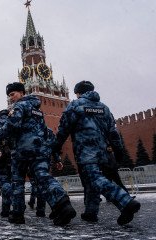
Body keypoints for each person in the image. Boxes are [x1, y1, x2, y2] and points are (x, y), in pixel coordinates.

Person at [52, 80, 140, 225]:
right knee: (91, 182)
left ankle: (126, 201)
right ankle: (90, 213)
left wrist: (56, 147)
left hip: (86, 153)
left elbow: (63, 130)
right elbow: (113, 133)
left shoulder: (75, 106)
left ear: (78, 93)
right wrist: (118, 151)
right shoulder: (104, 108)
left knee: (94, 179)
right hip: (104, 153)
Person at [0, 82, 76, 225]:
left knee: (18, 182)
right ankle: (63, 205)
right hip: (40, 150)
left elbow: (11, 125)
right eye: (9, 96)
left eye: (13, 94)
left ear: (22, 93)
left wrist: (0, 136)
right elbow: (45, 131)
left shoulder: (19, 106)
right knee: (43, 177)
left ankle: (18, 214)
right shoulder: (37, 110)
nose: (11, 98)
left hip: (22, 151)